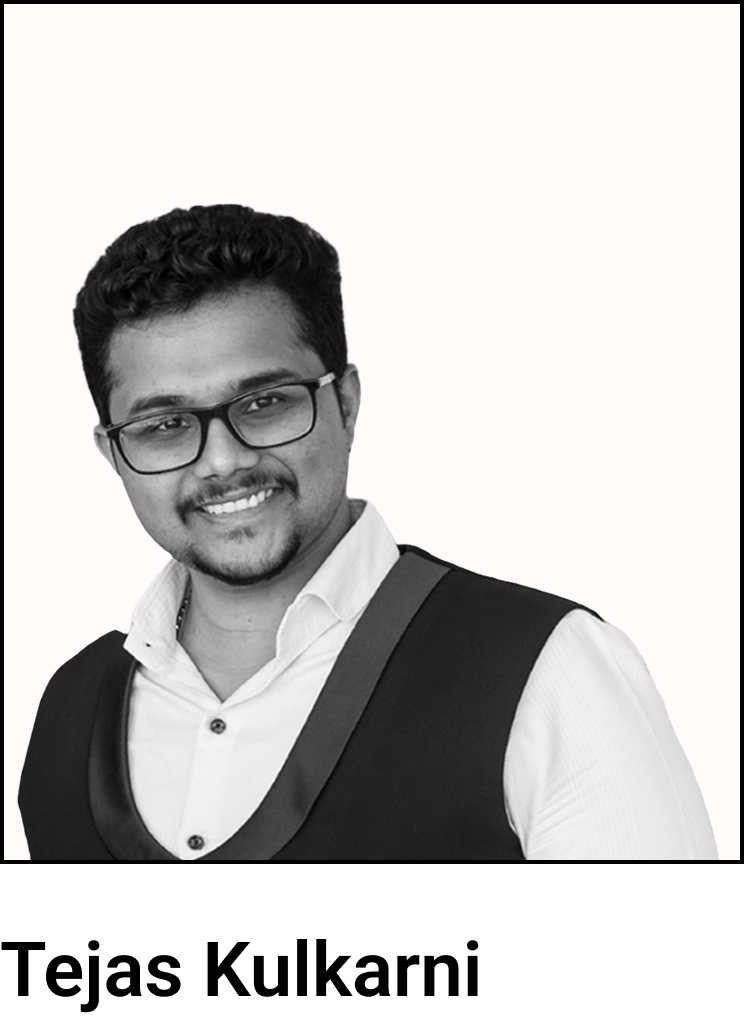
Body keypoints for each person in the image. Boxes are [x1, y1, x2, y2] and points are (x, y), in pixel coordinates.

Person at [18, 204, 718, 860]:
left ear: (346, 403)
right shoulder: (70, 709)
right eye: (165, 425)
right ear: (113, 453)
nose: (224, 461)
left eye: (264, 402)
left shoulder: (545, 666)